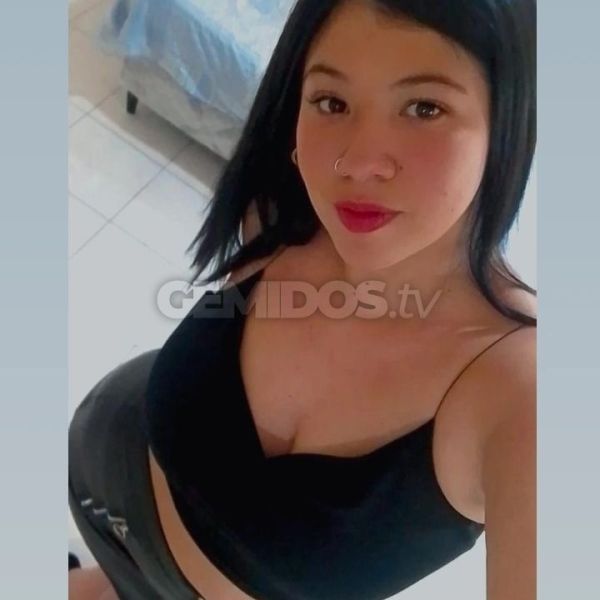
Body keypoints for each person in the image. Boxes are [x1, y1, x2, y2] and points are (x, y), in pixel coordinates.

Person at [68, 0, 537, 598]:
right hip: (107, 472)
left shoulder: (521, 392)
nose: (356, 163)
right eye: (332, 101)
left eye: (425, 107)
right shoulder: (280, 212)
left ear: (507, 124)